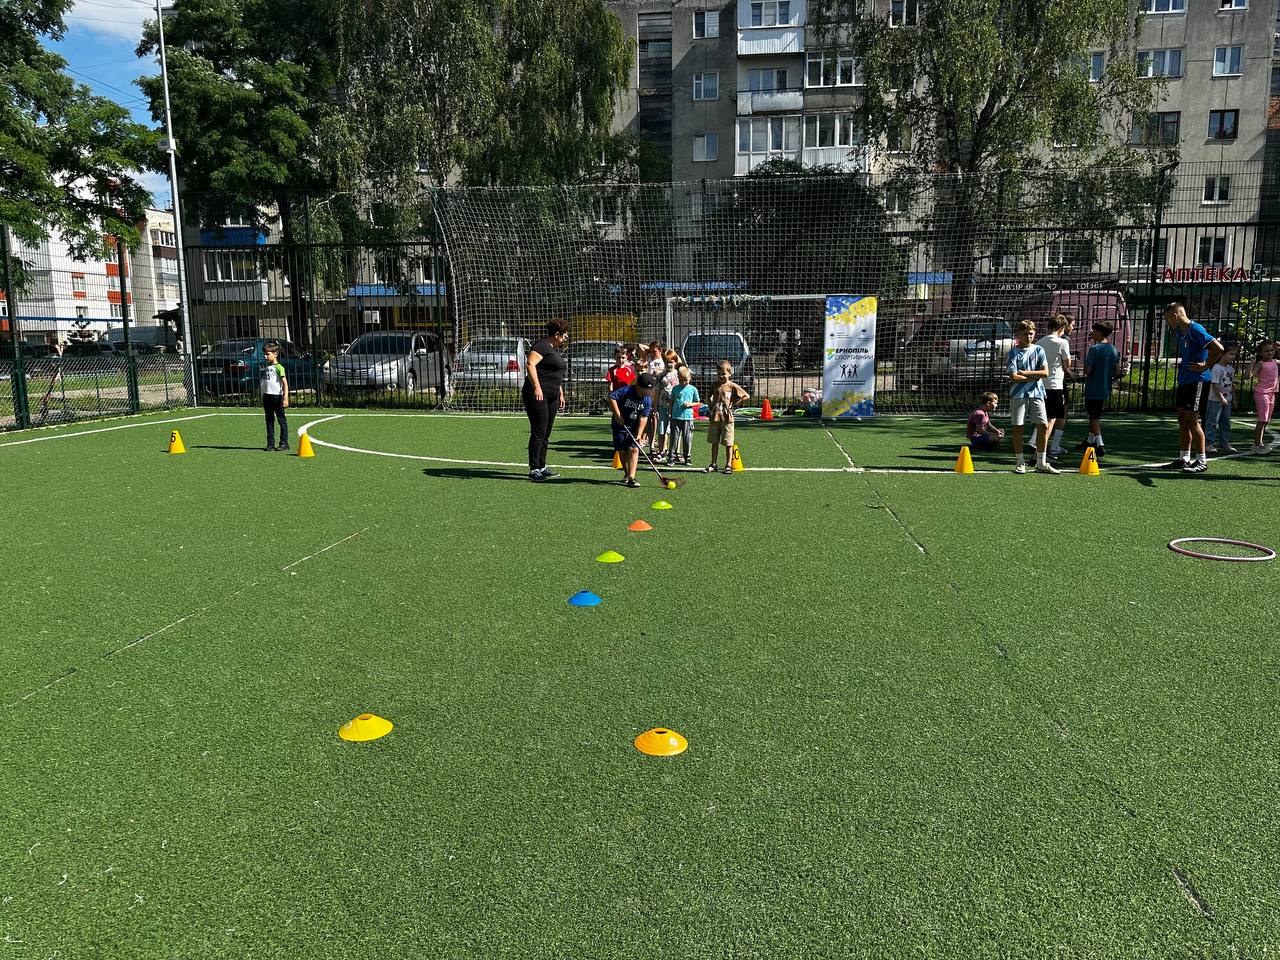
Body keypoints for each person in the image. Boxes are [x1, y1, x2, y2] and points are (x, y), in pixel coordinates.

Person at [1163, 302, 1224, 474]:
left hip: (1197, 381)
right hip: (1185, 380)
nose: (1168, 323)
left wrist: (1205, 366)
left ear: (1175, 315)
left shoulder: (1195, 329)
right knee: (1182, 418)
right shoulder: (1181, 332)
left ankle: (1201, 461)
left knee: (1192, 420)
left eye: (1168, 319)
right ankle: (1184, 459)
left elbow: (1218, 348)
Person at [1006, 320, 1057, 474]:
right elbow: (1013, 376)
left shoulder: (1039, 350)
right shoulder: (1013, 352)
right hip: (1018, 395)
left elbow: (1045, 373)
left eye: (1031, 333)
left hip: (1037, 393)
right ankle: (1020, 462)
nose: (1028, 336)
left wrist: (1025, 373)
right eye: (1025, 334)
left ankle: (1041, 462)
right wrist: (1033, 376)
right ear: (1018, 335)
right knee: (1018, 427)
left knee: (1043, 426)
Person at [522, 318, 569, 482]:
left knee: (546, 432)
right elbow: (530, 364)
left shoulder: (554, 349)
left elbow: (554, 373)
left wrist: (560, 392)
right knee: (539, 431)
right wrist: (537, 387)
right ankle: (534, 469)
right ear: (557, 334)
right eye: (564, 335)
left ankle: (541, 466)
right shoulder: (541, 346)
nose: (565, 338)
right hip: (537, 395)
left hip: (552, 395)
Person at [1080, 322, 1122, 459]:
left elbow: (1087, 370)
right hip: (1105, 387)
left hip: (1093, 387)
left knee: (1094, 416)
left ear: (1099, 332)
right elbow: (1117, 372)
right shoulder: (1114, 350)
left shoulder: (1094, 349)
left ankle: (1100, 443)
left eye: (1094, 331)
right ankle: (1089, 440)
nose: (1092, 333)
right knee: (1095, 413)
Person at [608, 372, 656, 488]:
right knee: (622, 450)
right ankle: (626, 473)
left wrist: (639, 434)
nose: (647, 393)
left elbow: (644, 417)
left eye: (649, 391)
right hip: (620, 425)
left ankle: (631, 477)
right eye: (645, 390)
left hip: (634, 426)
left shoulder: (647, 400)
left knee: (634, 449)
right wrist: (618, 415)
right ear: (638, 386)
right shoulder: (627, 391)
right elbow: (612, 397)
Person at [1035, 314, 1073, 460]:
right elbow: (1067, 363)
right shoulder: (1062, 342)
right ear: (1062, 327)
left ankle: (1039, 451)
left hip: (1041, 384)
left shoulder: (1040, 342)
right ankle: (1042, 454)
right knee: (1050, 420)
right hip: (1055, 385)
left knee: (1042, 420)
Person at [703, 359, 750, 474]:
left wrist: (736, 402)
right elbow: (707, 396)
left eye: (723, 374)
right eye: (718, 374)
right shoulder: (715, 385)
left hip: (727, 419)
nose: (721, 376)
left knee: (728, 443)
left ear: (729, 373)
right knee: (714, 442)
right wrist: (710, 407)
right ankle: (713, 464)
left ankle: (728, 465)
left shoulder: (732, 386)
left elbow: (746, 396)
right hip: (715, 418)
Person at [1205, 344, 1238, 455]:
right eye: (1231, 354)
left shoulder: (1231, 369)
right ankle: (1208, 443)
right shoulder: (1216, 368)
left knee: (1226, 422)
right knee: (1212, 422)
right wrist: (1221, 398)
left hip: (1227, 400)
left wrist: (1234, 399)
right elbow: (1214, 384)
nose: (1233, 357)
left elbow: (1231, 385)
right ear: (1222, 354)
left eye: (1234, 354)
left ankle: (1224, 443)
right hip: (1215, 400)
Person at [666, 365, 700, 466]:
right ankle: (672, 457)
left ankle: (687, 457)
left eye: (686, 380)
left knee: (687, 438)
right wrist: (670, 413)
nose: (683, 382)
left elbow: (697, 402)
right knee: (674, 437)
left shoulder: (693, 389)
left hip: (687, 417)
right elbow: (671, 401)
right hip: (675, 417)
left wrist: (690, 404)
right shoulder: (675, 388)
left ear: (690, 378)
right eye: (681, 380)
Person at [1249, 339, 1278, 455]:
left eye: (1272, 350)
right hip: (1262, 393)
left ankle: (1258, 443)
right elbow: (1248, 375)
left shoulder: (1275, 362)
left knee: (1266, 420)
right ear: (1261, 353)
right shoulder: (1261, 364)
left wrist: (1279, 349)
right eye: (1266, 351)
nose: (1270, 353)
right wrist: (1252, 363)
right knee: (1262, 420)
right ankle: (1258, 445)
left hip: (1272, 394)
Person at [260, 342, 290, 451]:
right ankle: (270, 443)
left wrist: (285, 398)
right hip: (267, 397)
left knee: (281, 420)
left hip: (276, 397)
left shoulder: (279, 367)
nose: (265, 356)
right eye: (265, 354)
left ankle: (284, 443)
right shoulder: (266, 367)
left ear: (275, 354)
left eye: (268, 354)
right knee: (269, 420)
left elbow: (285, 383)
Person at [655, 349, 681, 462]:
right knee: (662, 430)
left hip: (675, 407)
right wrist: (655, 407)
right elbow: (657, 392)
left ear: (675, 362)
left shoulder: (679, 374)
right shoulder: (660, 376)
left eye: (671, 362)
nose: (669, 364)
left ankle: (676, 452)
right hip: (663, 406)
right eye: (666, 362)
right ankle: (662, 451)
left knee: (676, 430)